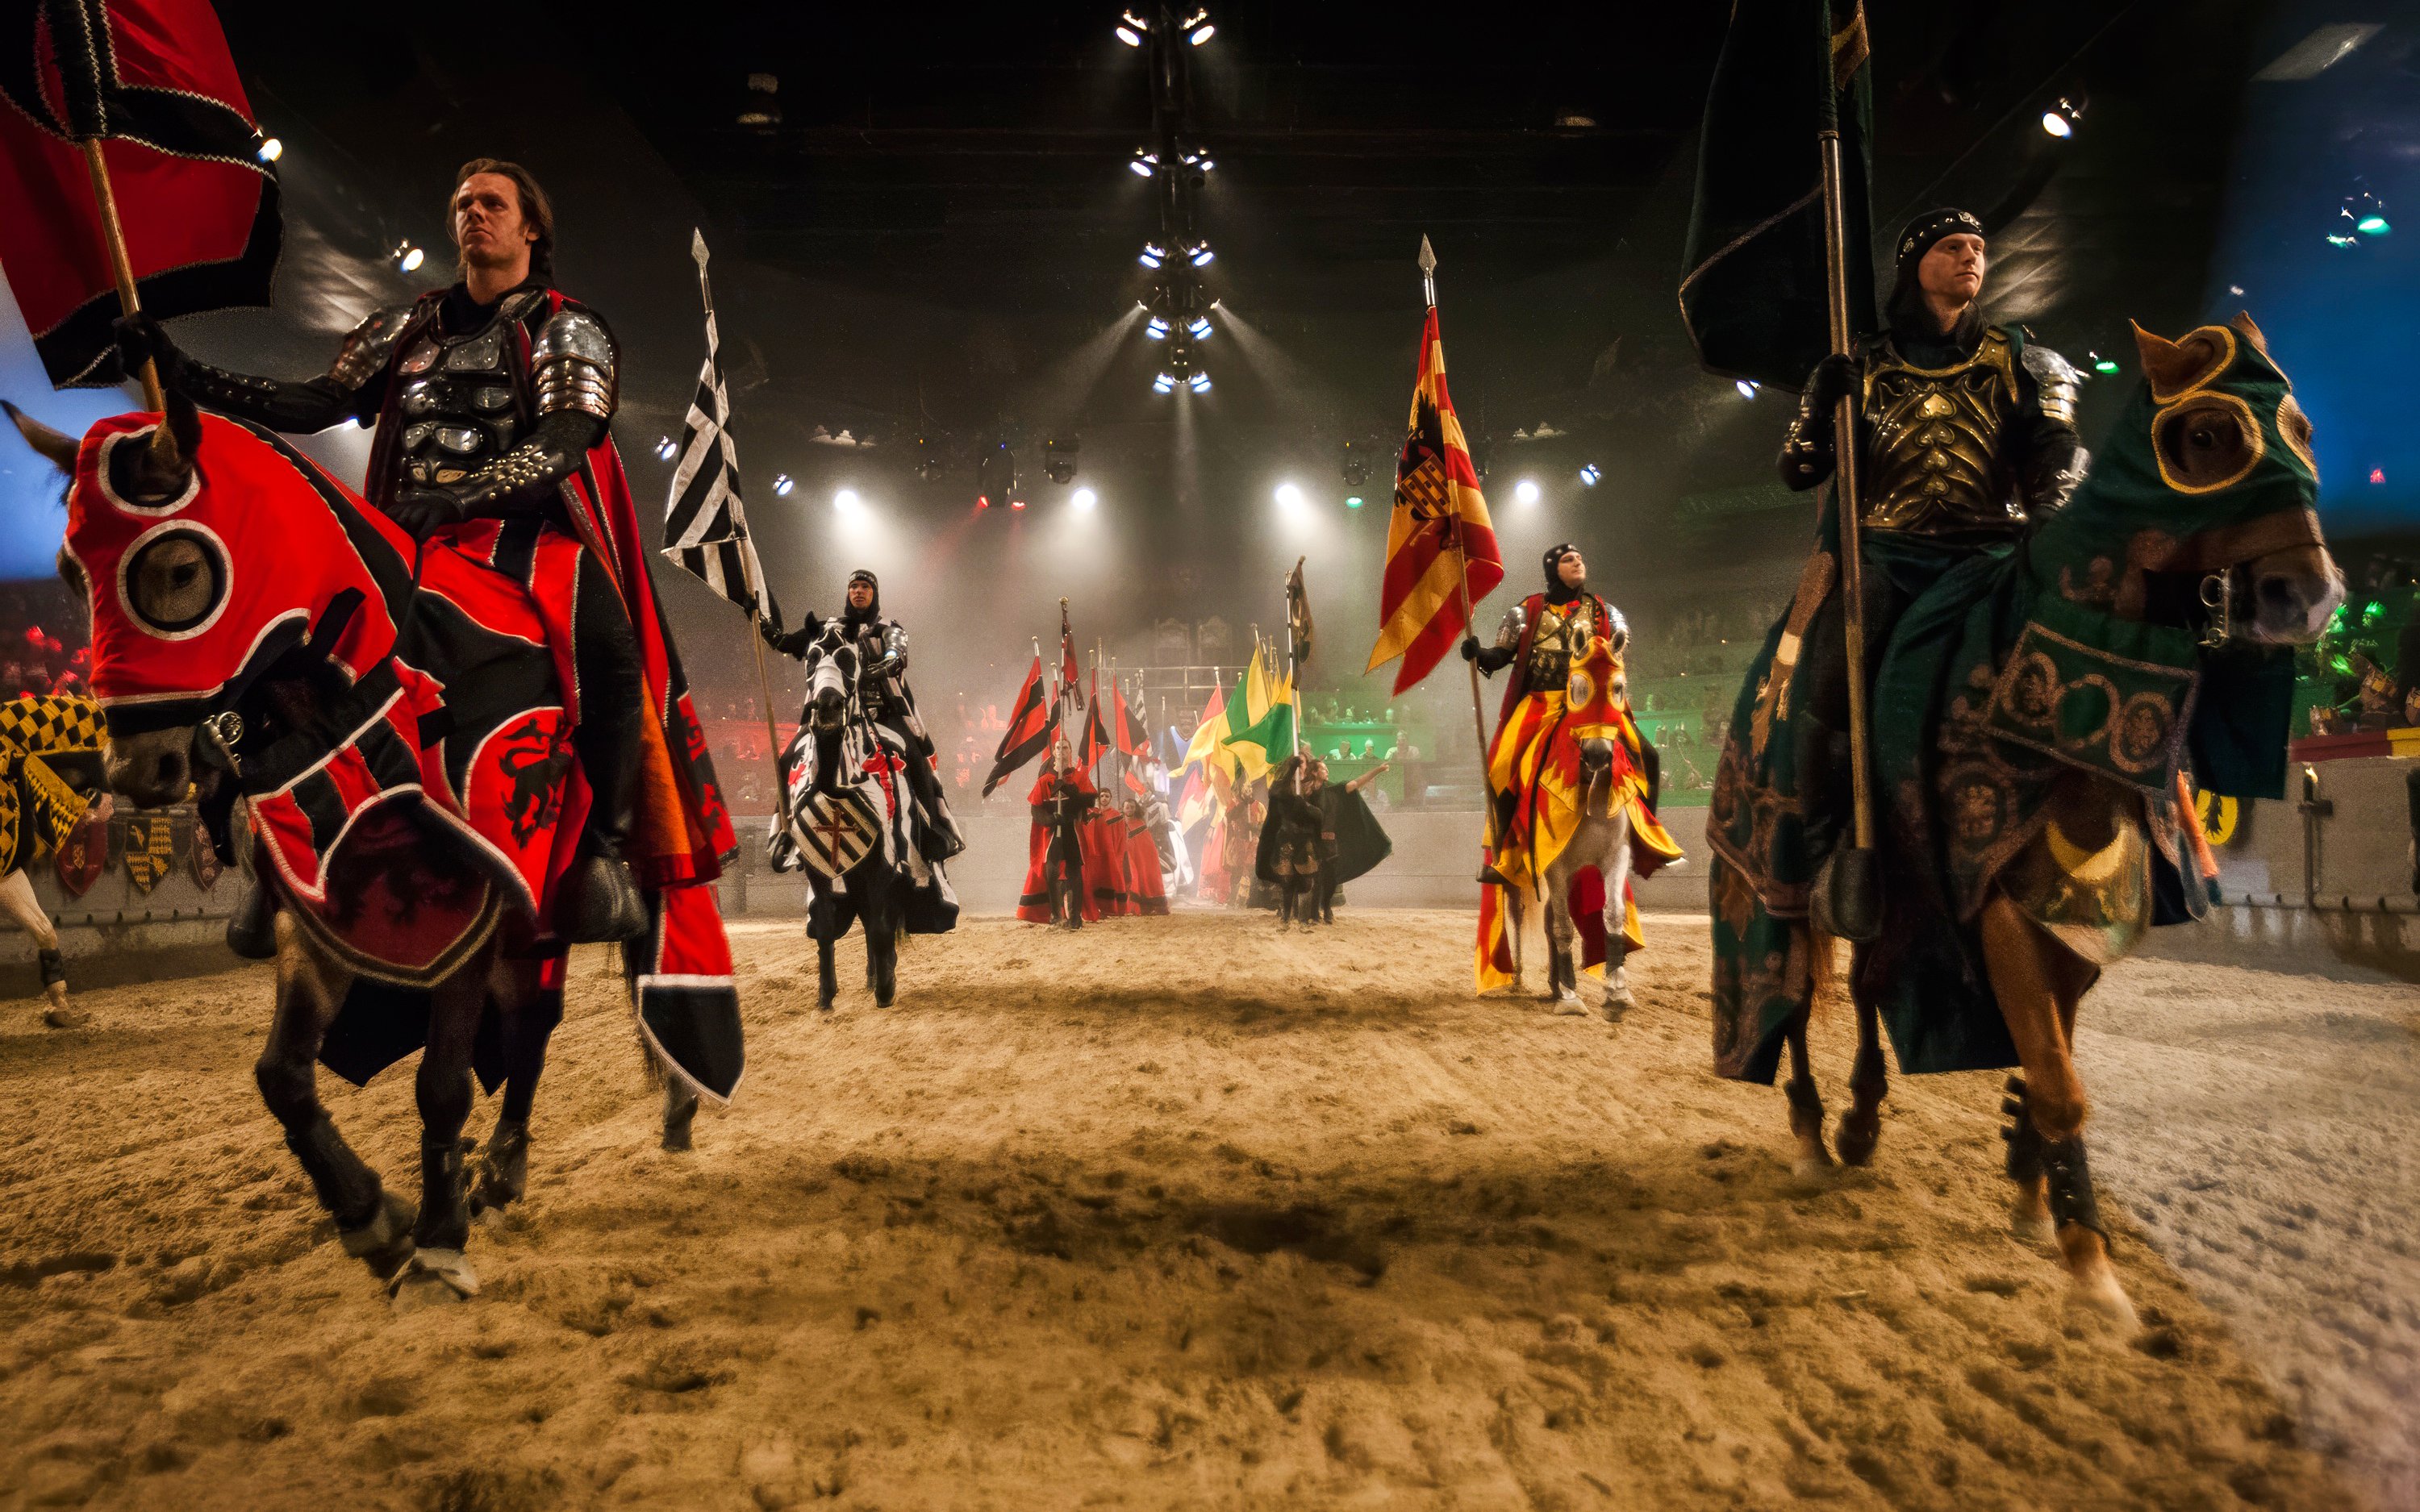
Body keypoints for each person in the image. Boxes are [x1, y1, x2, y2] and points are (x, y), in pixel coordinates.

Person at [118, 158, 688, 948]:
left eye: (492, 203)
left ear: (531, 229)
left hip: (524, 537)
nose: (473, 214)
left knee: (613, 648)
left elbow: (567, 436)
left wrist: (465, 493)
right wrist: (186, 374)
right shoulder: (404, 325)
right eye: (462, 203)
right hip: (404, 535)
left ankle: (602, 859)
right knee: (278, 629)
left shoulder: (569, 326)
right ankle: (272, 855)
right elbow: (313, 401)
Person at [1704, 207, 2086, 1083]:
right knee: (1823, 686)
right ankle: (1830, 843)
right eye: (1955, 249)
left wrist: (2060, 508)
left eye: (1981, 250)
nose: (1973, 262)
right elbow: (1800, 469)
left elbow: (2053, 463)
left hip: (1990, 556)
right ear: (1915, 265)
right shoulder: (1862, 364)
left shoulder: (2024, 362)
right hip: (1887, 557)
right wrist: (1820, 401)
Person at [1460, 544, 1658, 887]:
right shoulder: (1526, 612)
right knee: (1502, 765)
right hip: (1542, 701)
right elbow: (1501, 656)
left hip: (1592, 705)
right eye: (1569, 560)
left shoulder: (1604, 611)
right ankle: (1503, 854)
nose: (1578, 561)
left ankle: (1646, 839)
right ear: (1553, 569)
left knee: (1649, 756)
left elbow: (1618, 655)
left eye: (1580, 557)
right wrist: (1479, 653)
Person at [763, 569, 963, 865]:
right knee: (787, 758)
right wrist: (759, 618)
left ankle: (935, 831)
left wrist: (880, 667)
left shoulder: (887, 627)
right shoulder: (830, 629)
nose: (859, 591)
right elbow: (783, 643)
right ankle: (786, 833)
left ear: (874, 594)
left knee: (917, 759)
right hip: (838, 714)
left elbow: (897, 652)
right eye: (854, 586)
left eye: (865, 587)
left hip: (884, 713)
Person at [1020, 736, 1103, 928]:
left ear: (1070, 751)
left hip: (1072, 829)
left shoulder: (1080, 776)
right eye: (1058, 747)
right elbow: (1035, 808)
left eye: (1065, 747)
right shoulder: (1045, 780)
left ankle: (1074, 918)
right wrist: (1049, 819)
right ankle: (1056, 915)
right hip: (1052, 831)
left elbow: (1090, 800)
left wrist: (1069, 790)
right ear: (1054, 752)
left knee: (1075, 872)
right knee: (1052, 870)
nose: (1062, 751)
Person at [1304, 756, 1392, 924]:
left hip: (1330, 842)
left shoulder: (1334, 790)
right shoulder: (1306, 792)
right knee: (1316, 877)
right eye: (1323, 768)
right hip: (1312, 842)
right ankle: (1314, 913)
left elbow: (1356, 783)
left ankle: (1326, 909)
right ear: (1315, 772)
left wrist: (1378, 770)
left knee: (1329, 878)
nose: (1327, 771)